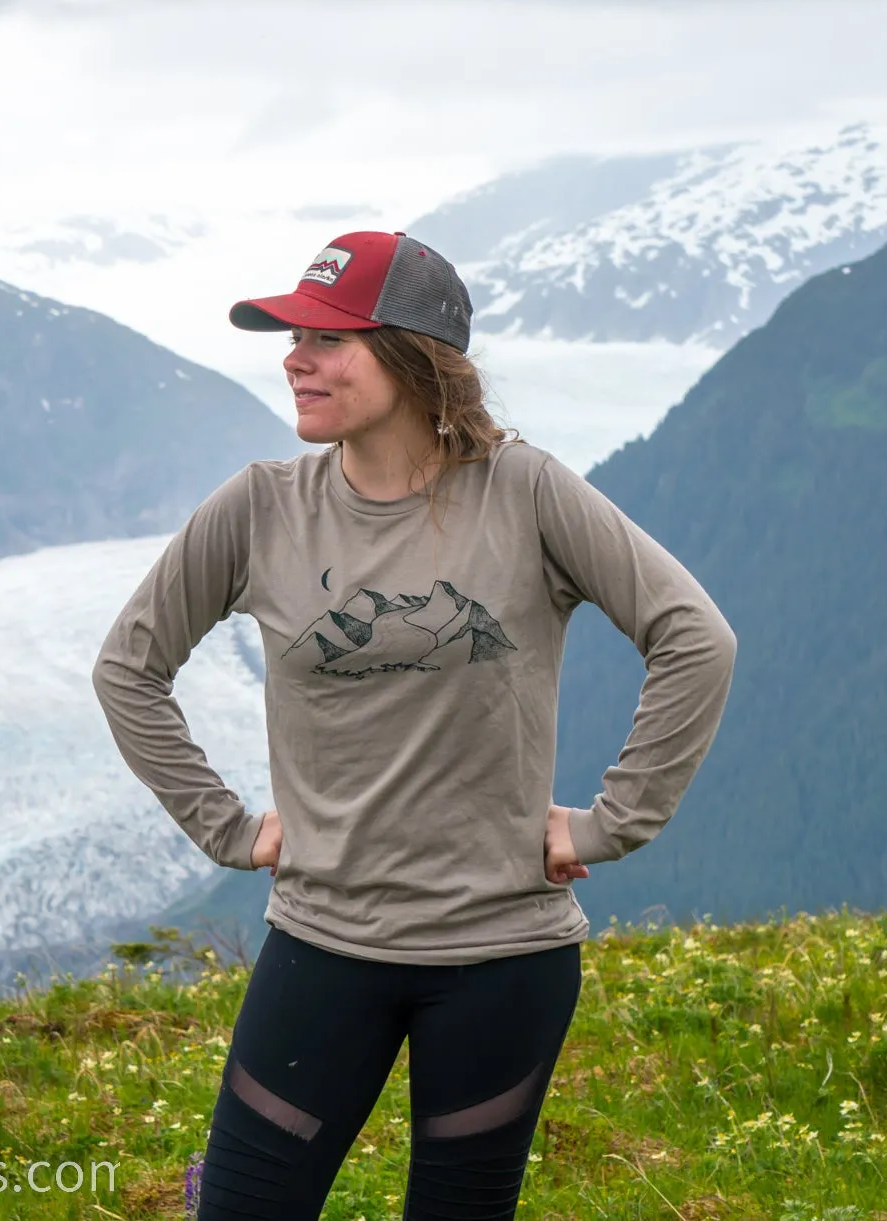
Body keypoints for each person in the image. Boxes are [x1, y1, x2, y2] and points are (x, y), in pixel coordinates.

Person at [91, 230, 738, 1220]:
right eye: (290, 335)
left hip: (503, 960)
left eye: (325, 338)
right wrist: (224, 825)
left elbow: (694, 636)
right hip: (322, 947)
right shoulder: (261, 507)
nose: (292, 358)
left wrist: (613, 822)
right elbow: (127, 669)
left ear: (409, 354)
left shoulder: (522, 492)